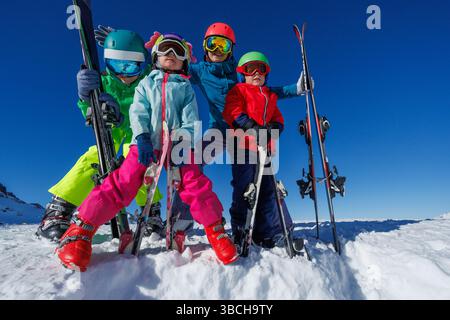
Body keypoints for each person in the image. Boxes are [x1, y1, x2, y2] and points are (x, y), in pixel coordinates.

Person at [56, 33, 239, 272]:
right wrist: (141, 136)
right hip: (146, 142)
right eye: (166, 50)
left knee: (195, 182)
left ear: (185, 60)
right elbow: (138, 112)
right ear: (155, 57)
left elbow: (191, 118)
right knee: (124, 180)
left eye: (177, 52)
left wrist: (183, 140)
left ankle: (215, 230)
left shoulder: (185, 88)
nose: (171, 56)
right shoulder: (146, 83)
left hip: (178, 144)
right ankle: (81, 229)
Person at [36, 29, 164, 242]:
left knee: (141, 160)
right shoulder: (104, 81)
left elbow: (166, 67)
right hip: (111, 135)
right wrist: (87, 98)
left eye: (131, 66)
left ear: (143, 63)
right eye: (116, 65)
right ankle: (58, 211)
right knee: (93, 157)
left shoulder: (149, 81)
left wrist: (136, 43)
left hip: (139, 134)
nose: (123, 73)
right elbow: (89, 111)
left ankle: (151, 213)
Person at [223, 51, 306, 249]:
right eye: (250, 69)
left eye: (260, 69)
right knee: (245, 189)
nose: (255, 73)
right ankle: (240, 230)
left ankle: (267, 232)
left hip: (264, 150)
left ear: (266, 73)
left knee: (268, 190)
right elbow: (232, 111)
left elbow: (278, 119)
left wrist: (274, 129)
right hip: (242, 146)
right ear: (243, 72)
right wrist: (251, 126)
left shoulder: (269, 96)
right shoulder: (239, 90)